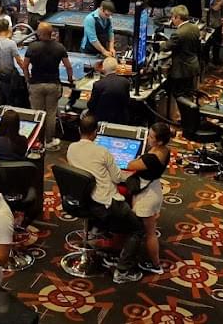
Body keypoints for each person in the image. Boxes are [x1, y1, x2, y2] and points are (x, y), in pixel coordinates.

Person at [66, 113, 141, 284]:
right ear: (95, 132)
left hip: (81, 200)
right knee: (137, 229)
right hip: (104, 203)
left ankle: (98, 231)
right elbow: (117, 178)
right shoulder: (103, 152)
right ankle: (122, 270)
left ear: (79, 130)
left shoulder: (71, 148)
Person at [124, 122, 172, 276]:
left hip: (147, 197)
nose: (148, 138)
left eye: (151, 137)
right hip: (154, 189)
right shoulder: (165, 150)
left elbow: (130, 165)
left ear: (160, 141)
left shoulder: (152, 158)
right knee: (145, 230)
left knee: (150, 233)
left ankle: (156, 265)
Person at [20, 22, 73, 151]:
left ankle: (37, 140)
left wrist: (27, 79)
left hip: (36, 85)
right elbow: (68, 66)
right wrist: (70, 79)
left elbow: (25, 66)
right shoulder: (59, 47)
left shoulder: (32, 47)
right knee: (50, 114)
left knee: (37, 114)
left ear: (40, 33)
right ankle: (48, 141)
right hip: (53, 85)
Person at [162, 5, 201, 122]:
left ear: (178, 17)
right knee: (188, 94)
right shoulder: (195, 27)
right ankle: (190, 118)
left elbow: (166, 47)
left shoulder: (178, 33)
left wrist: (161, 44)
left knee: (179, 96)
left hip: (181, 70)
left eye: (172, 17)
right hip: (193, 65)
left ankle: (186, 120)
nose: (171, 20)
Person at [0, 18, 24, 107]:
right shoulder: (11, 43)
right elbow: (19, 61)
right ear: (8, 28)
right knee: (10, 102)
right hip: (9, 78)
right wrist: (25, 71)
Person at [87, 57, 131, 125]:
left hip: (101, 119)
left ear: (103, 68)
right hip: (121, 119)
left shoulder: (98, 84)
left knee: (83, 114)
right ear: (117, 67)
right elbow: (127, 102)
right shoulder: (126, 82)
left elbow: (91, 106)